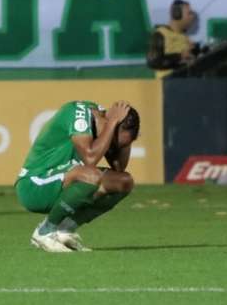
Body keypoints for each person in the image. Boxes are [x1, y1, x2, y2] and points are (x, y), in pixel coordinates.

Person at [17, 100, 139, 252]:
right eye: (114, 141)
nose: (114, 146)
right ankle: (44, 231)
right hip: (35, 185)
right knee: (91, 175)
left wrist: (125, 142)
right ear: (108, 123)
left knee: (123, 182)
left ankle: (65, 230)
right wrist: (113, 122)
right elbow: (90, 158)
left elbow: (119, 167)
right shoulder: (78, 114)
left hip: (65, 181)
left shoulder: (103, 122)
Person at [146, 0, 198, 76]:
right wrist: (179, 56)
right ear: (176, 14)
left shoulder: (184, 37)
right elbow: (153, 62)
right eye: (189, 13)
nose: (192, 16)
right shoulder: (161, 34)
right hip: (169, 83)